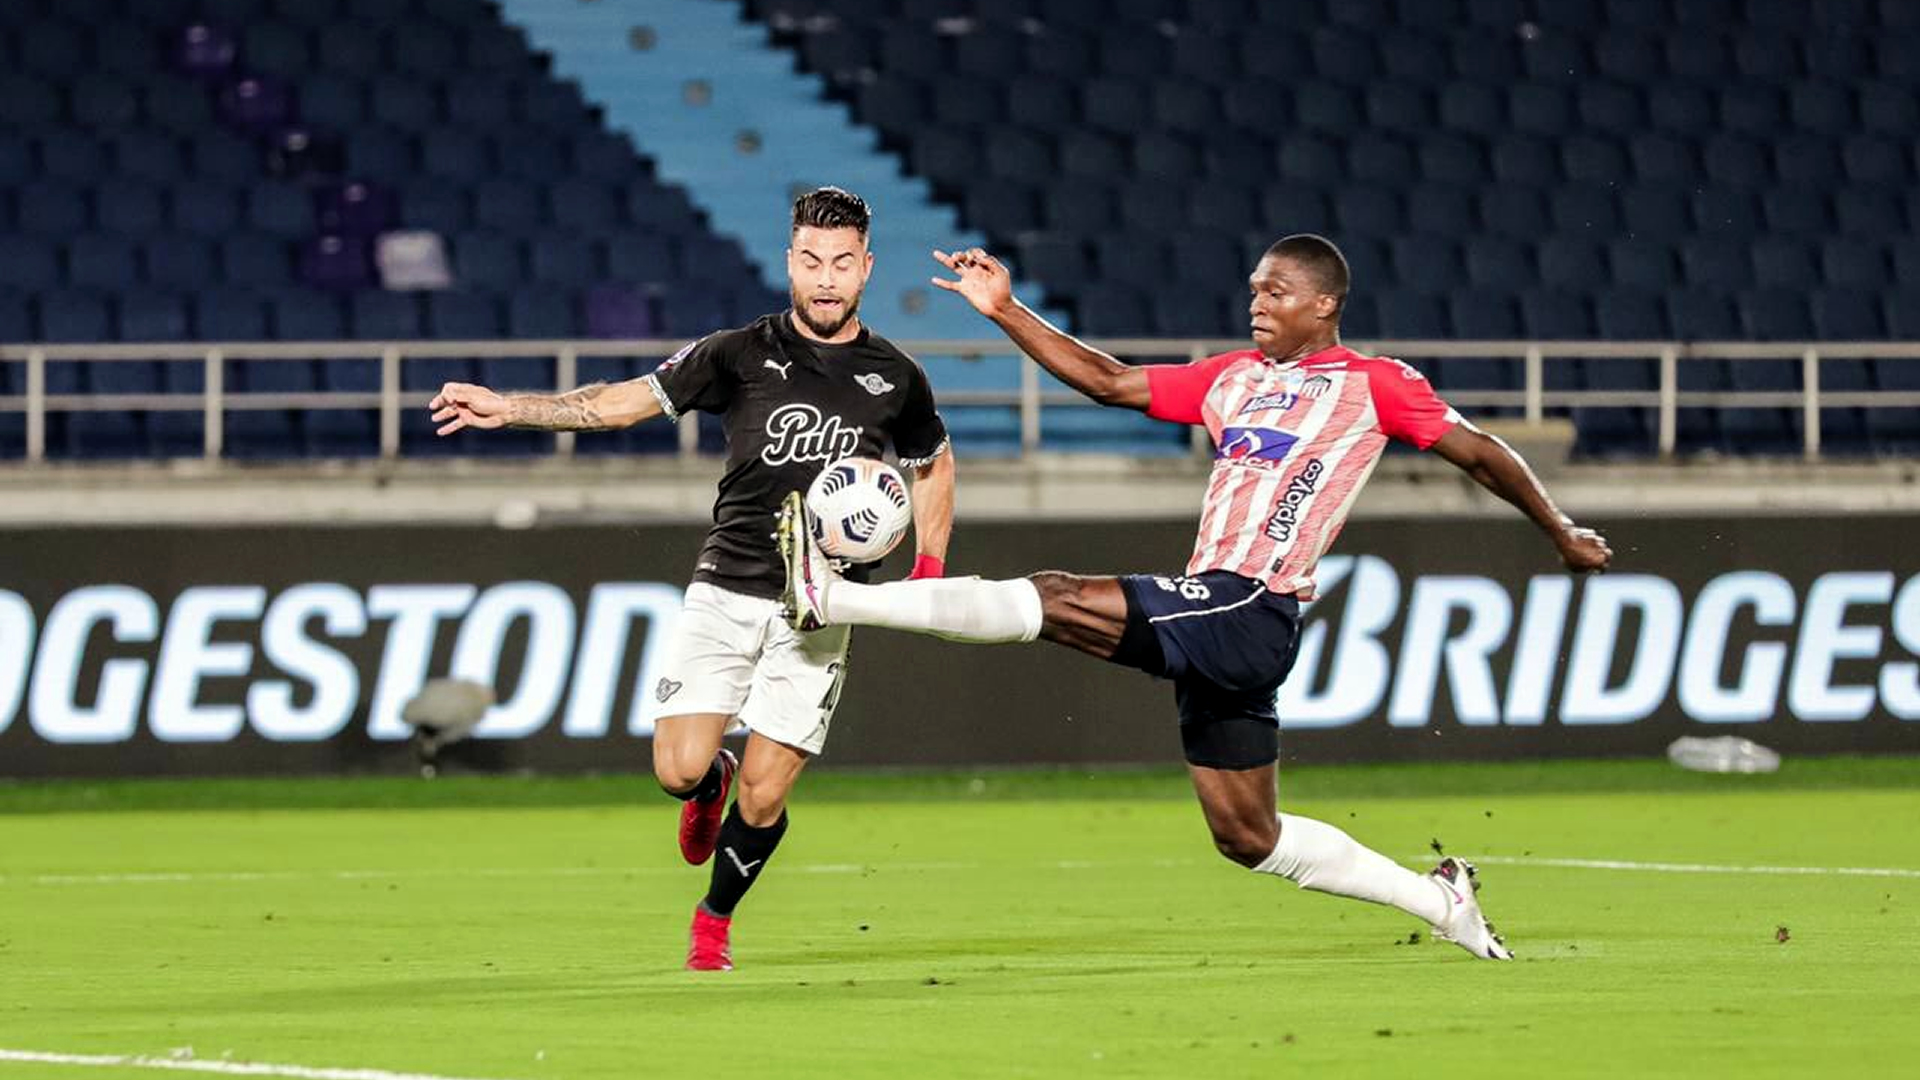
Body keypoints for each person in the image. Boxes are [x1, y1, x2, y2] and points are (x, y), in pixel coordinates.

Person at [777, 234, 1611, 960]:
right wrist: (1004, 310)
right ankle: (1442, 902)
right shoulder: (1233, 379)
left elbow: (1480, 450)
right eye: (1254, 289)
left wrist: (1560, 527)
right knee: (1248, 836)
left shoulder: (1373, 384)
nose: (1257, 303)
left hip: (1251, 603)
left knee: (1057, 598)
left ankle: (839, 599)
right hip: (1221, 613)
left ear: (1324, 305)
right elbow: (1110, 382)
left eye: (1276, 292)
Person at [428, 187, 955, 971]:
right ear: (790, 262)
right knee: (678, 769)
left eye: (842, 263)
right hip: (727, 585)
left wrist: (929, 570)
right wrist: (512, 408)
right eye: (812, 261)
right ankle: (710, 786)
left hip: (821, 605)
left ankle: (714, 920)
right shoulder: (736, 353)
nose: (825, 279)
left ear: (867, 268)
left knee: (767, 794)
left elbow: (933, 463)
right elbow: (620, 405)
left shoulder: (896, 376)